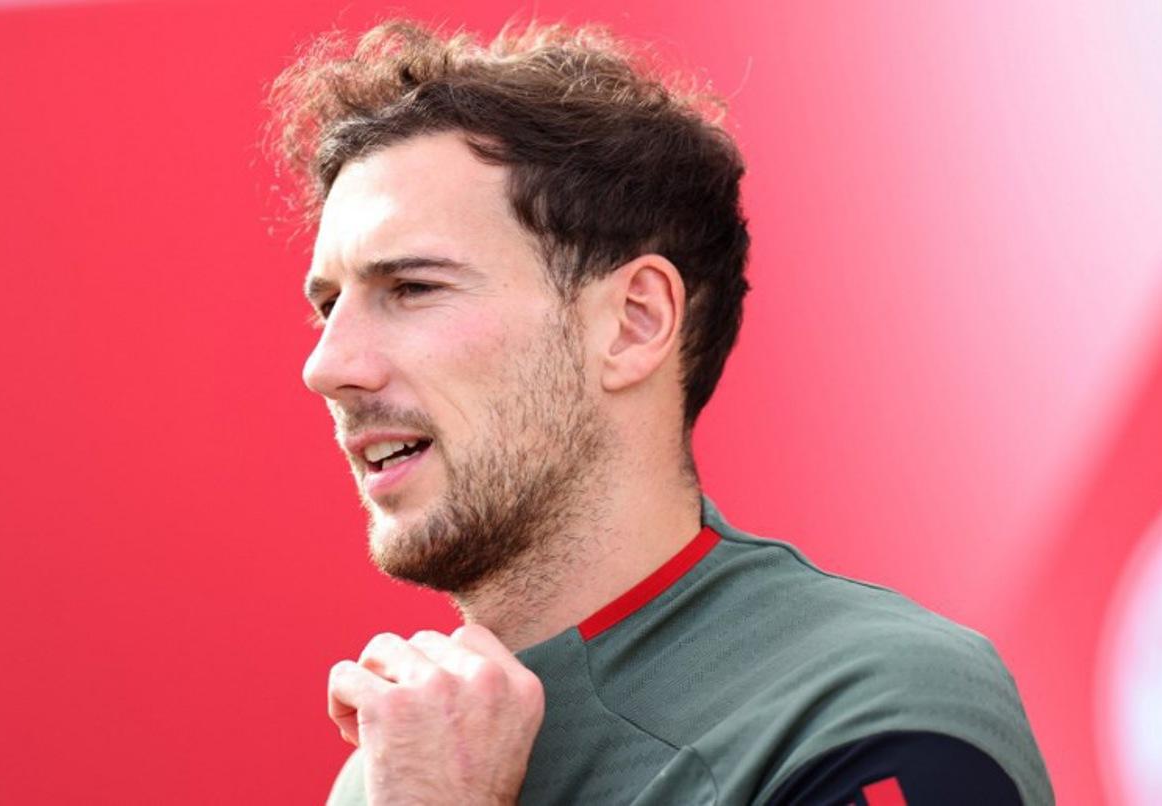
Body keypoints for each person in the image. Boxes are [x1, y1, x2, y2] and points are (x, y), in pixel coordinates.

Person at [268, 19, 1054, 805]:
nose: (327, 367)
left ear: (634, 322)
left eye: (412, 288)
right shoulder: (391, 767)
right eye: (330, 306)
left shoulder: (870, 707)